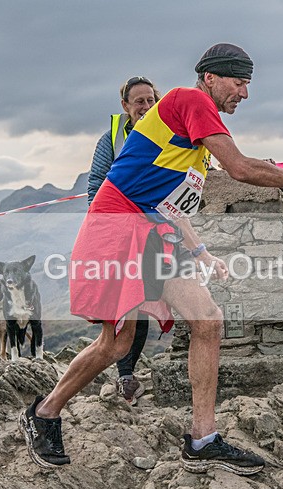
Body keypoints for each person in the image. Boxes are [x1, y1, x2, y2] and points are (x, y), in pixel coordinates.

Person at [18, 43, 283, 475]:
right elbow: (239, 168)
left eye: (248, 84)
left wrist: (199, 249)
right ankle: (45, 411)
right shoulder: (191, 100)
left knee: (206, 320)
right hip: (118, 226)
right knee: (117, 344)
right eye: (239, 82)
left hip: (151, 232)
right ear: (211, 78)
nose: (245, 92)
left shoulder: (197, 135)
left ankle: (202, 439)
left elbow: (174, 201)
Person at [86, 75, 161, 405]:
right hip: (120, 235)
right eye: (139, 102)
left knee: (146, 299)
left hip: (156, 233)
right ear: (125, 107)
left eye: (151, 100)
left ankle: (127, 369)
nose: (146, 107)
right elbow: (95, 189)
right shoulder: (112, 139)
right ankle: (125, 373)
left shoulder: (169, 135)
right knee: (127, 304)